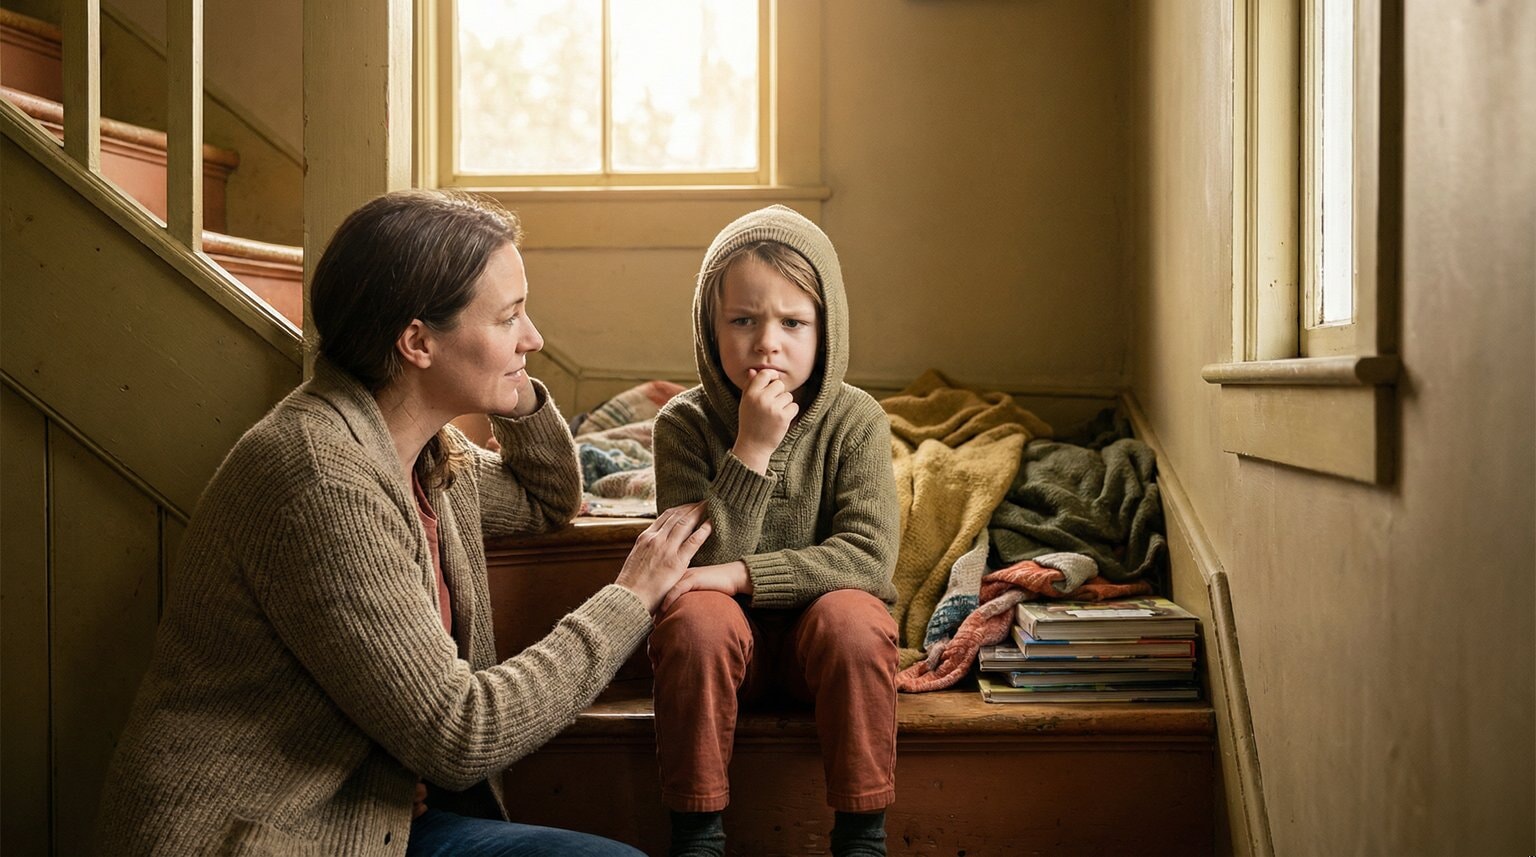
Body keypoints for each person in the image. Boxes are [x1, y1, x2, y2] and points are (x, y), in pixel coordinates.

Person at [93, 189, 712, 856]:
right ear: (417, 341)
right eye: (509, 317)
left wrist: (516, 390)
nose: (533, 338)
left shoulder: (428, 456)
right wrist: (631, 597)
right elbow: (461, 732)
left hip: (366, 816)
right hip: (254, 837)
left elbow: (546, 499)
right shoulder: (321, 477)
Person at [649, 205, 902, 857]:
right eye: (743, 320)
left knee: (857, 618)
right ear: (709, 328)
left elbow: (868, 559)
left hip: (823, 651)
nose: (768, 343)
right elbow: (690, 567)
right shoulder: (683, 425)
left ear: (826, 329)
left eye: (793, 322)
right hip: (726, 653)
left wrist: (741, 575)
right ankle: (698, 836)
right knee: (694, 618)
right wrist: (752, 450)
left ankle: (862, 838)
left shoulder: (857, 421)